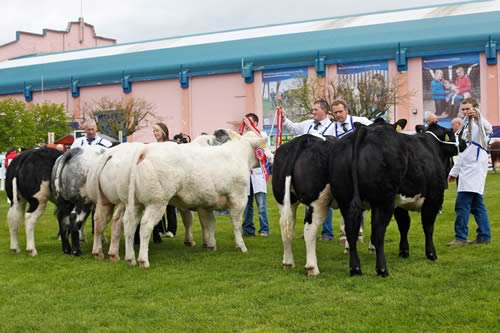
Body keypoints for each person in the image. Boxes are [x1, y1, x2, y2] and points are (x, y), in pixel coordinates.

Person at [283, 99, 335, 240]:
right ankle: (308, 230)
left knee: (325, 199)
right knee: (308, 199)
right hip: (308, 167)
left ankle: (327, 232)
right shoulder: (307, 124)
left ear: (324, 111)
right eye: (312, 110)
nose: (312, 112)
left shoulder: (333, 127)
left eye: (315, 110)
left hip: (324, 168)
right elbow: (293, 128)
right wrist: (284, 118)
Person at [447, 98, 492, 246]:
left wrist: (478, 115)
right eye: (464, 109)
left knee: (462, 204)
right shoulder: (466, 125)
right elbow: (463, 153)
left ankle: (460, 237)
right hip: (467, 167)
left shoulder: (479, 123)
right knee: (477, 204)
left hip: (475, 167)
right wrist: (454, 171)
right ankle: (484, 236)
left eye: (468, 109)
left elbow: (488, 128)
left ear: (475, 108)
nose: (465, 112)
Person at [330, 99, 372, 247]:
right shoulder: (331, 128)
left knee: (362, 201)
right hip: (343, 171)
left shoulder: (361, 122)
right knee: (346, 201)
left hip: (361, 169)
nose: (338, 115)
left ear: (346, 110)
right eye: (335, 112)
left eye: (340, 111)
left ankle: (359, 232)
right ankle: (345, 233)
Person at [241, 113, 270, 237]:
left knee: (261, 205)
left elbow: (262, 142)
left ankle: (264, 229)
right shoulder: (243, 137)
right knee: (247, 205)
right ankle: (248, 229)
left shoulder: (262, 134)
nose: (247, 125)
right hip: (247, 175)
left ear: (256, 123)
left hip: (258, 175)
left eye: (251, 122)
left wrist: (250, 126)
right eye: (246, 122)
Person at [153, 122, 178, 238]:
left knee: (171, 205)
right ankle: (159, 230)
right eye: (154, 131)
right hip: (158, 178)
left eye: (157, 131)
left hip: (170, 177)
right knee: (158, 204)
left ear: (163, 132)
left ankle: (171, 230)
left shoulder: (170, 145)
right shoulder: (153, 146)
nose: (155, 133)